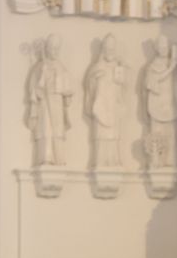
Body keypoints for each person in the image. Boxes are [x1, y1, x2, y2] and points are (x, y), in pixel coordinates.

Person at [25, 34, 73, 166]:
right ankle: (46, 158)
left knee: (57, 131)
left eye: (57, 49)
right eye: (52, 48)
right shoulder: (40, 66)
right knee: (46, 130)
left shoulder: (61, 68)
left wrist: (66, 94)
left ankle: (58, 159)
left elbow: (67, 90)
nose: (54, 51)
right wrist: (41, 78)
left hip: (57, 103)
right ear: (47, 48)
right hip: (45, 103)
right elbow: (33, 87)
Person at [84, 34, 126, 168]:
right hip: (101, 106)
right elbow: (89, 87)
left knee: (114, 135)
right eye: (107, 49)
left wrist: (121, 78)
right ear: (103, 50)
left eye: (112, 50)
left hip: (113, 106)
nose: (110, 53)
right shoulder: (97, 67)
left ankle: (113, 160)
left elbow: (123, 88)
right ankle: (100, 161)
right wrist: (94, 78)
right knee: (101, 135)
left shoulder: (118, 68)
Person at [144, 35, 177, 169]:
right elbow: (151, 82)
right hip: (157, 103)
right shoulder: (153, 65)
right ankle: (157, 160)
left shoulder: (172, 63)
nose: (164, 49)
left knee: (170, 133)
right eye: (161, 47)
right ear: (157, 49)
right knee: (157, 131)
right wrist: (171, 68)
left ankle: (170, 161)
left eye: (166, 46)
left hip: (169, 102)